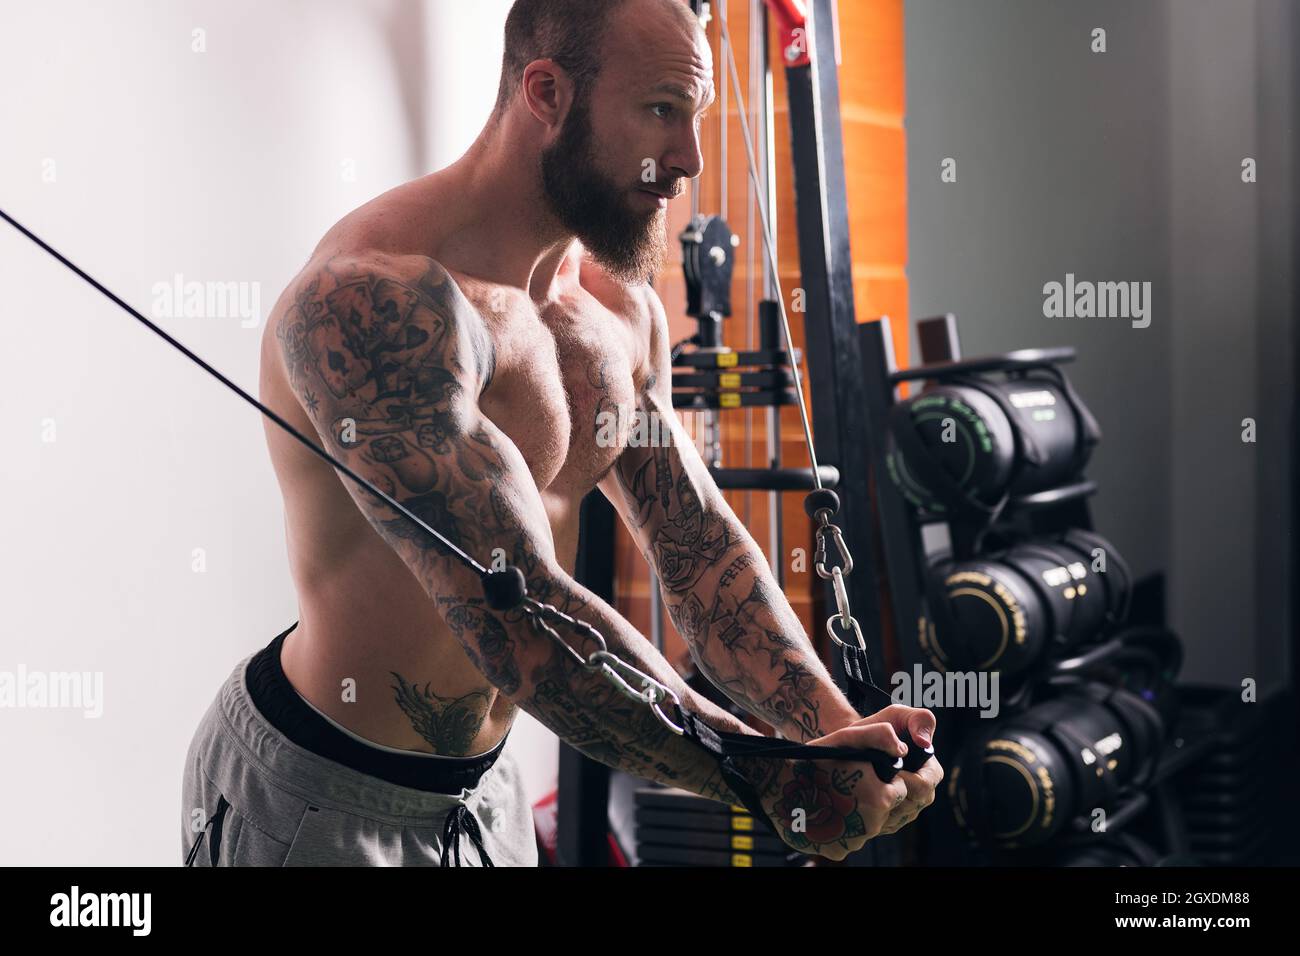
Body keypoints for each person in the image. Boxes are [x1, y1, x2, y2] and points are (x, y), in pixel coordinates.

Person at [181, 0, 941, 867]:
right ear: (546, 92)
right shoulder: (377, 303)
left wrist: (835, 733)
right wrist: (765, 775)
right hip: (325, 795)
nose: (688, 159)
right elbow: (518, 618)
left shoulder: (616, 308)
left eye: (691, 116)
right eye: (660, 110)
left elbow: (697, 548)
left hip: (485, 790)